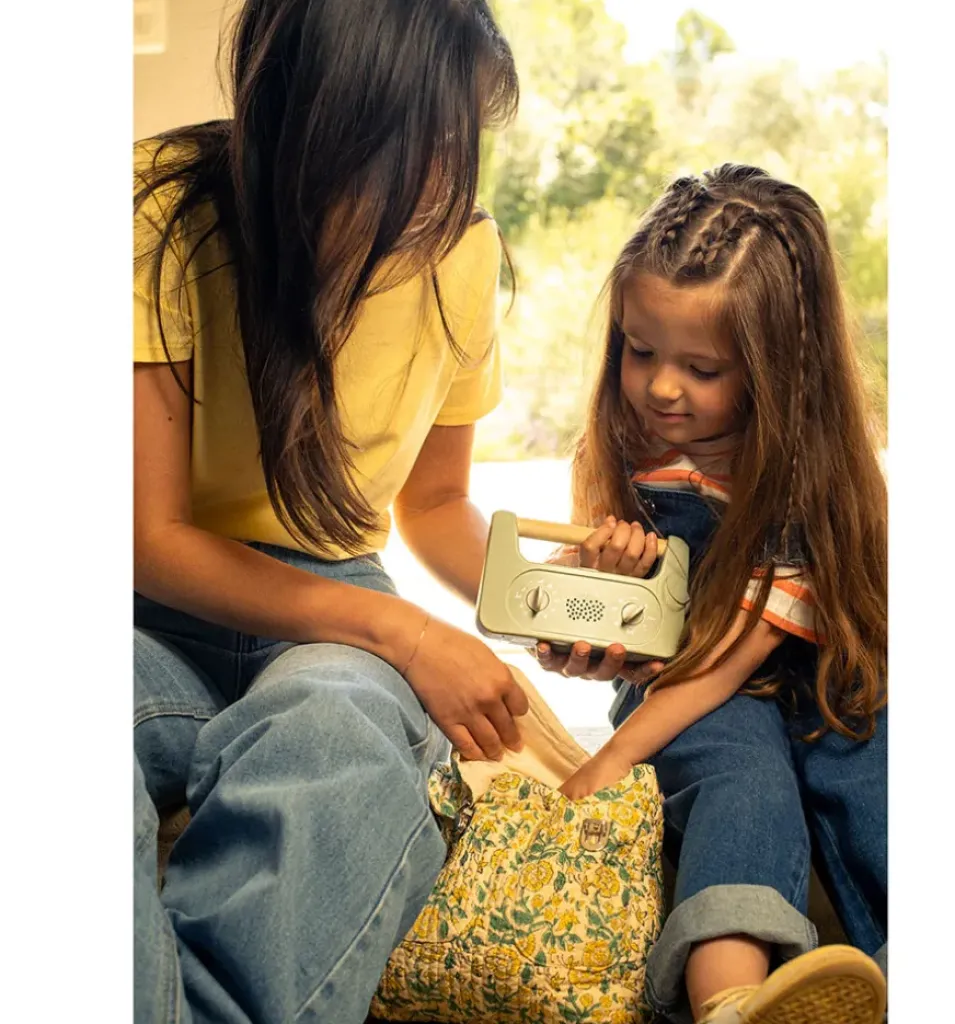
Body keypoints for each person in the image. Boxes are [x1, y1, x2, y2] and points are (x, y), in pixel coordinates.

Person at [132, 2, 530, 1021]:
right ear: (315, 124)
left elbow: (435, 503)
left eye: (461, 144)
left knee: (338, 722)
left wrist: (543, 609)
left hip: (334, 598)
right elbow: (149, 538)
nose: (445, 187)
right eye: (419, 147)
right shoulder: (161, 212)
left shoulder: (465, 255)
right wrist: (404, 629)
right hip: (150, 610)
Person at [535, 165, 888, 1024]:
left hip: (806, 665)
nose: (660, 387)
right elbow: (649, 650)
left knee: (875, 775)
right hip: (688, 690)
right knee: (743, 779)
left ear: (776, 369)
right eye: (639, 349)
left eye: (701, 367)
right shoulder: (630, 449)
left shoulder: (805, 475)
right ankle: (731, 1003)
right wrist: (600, 612)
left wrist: (606, 762)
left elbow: (736, 653)